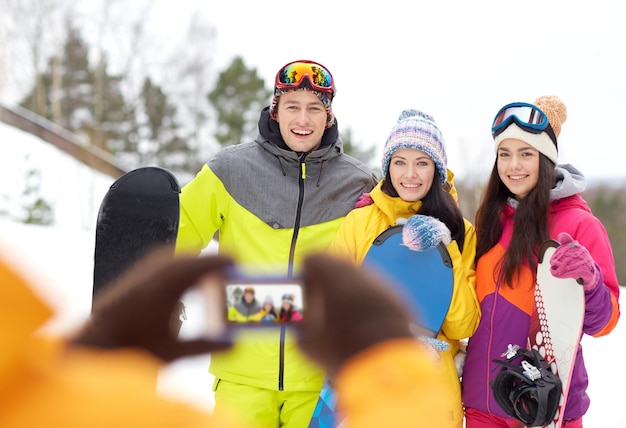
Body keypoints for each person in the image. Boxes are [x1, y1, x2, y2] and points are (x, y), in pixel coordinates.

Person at [0, 242, 456, 427]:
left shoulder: (28, 398)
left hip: (303, 377)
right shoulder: (230, 169)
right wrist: (388, 357)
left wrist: (84, 358)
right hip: (246, 373)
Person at [175, 59, 377, 427]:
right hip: (242, 374)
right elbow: (178, 235)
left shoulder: (358, 184)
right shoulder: (230, 170)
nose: (303, 119)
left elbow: (396, 233)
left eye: (315, 108)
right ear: (276, 110)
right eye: (293, 107)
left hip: (319, 380)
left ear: (328, 116)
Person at [461, 95, 621, 427]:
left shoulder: (579, 224)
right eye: (504, 155)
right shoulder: (491, 218)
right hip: (482, 402)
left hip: (545, 406)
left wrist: (590, 282)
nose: (513, 166)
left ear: (545, 159)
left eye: (525, 154)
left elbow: (605, 324)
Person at [327, 108, 481, 427]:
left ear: (436, 170)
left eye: (421, 163)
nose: (409, 174)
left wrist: (446, 249)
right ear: (388, 167)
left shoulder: (461, 231)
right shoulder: (360, 223)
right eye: (400, 162)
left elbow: (462, 326)